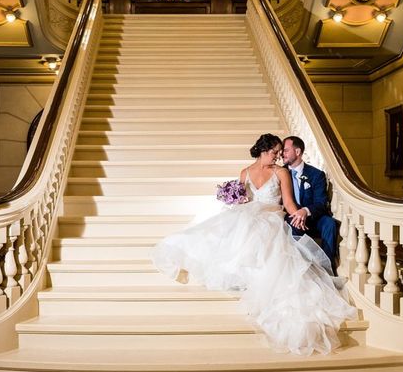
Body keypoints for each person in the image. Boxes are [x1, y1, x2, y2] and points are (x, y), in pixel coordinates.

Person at [151, 133, 356, 356]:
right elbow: (244, 202)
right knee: (234, 229)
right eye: (274, 152)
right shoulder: (245, 173)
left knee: (262, 234)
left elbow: (287, 202)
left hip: (272, 218)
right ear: (262, 151)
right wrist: (232, 199)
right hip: (250, 215)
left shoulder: (281, 172)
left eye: (280, 152)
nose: (278, 156)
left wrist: (300, 213)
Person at [281, 136, 338, 271]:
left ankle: (327, 269)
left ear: (298, 151)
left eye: (286, 150)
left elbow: (321, 203)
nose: (282, 154)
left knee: (330, 223)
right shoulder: (281, 173)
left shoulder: (316, 174)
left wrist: (305, 211)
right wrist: (295, 214)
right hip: (291, 218)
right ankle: (303, 269)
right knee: (290, 225)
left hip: (314, 218)